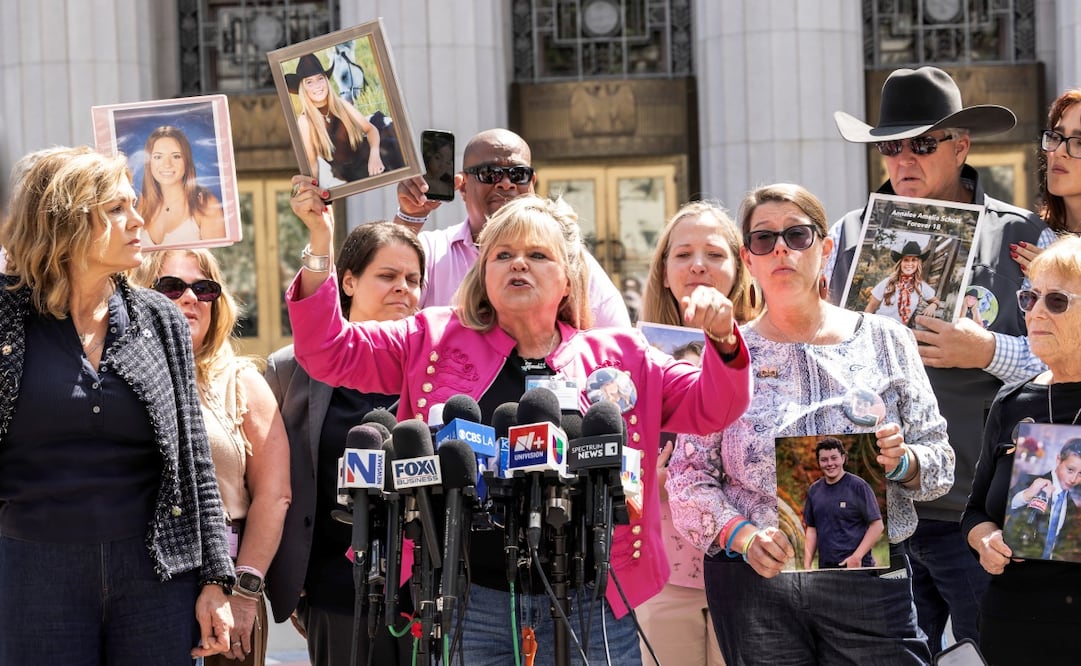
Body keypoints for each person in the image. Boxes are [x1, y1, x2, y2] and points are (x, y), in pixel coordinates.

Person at [286, 182, 752, 665]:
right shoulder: (432, 337)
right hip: (471, 597)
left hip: (593, 601)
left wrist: (723, 341)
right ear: (483, 274)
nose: (518, 263)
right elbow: (327, 351)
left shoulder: (623, 356)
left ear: (569, 279)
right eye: (503, 254)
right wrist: (320, 243)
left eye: (537, 254)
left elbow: (713, 407)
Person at [668, 183, 954, 665]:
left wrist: (902, 459)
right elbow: (688, 478)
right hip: (757, 583)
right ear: (748, 259)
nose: (780, 249)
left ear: (824, 249)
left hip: (867, 582)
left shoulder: (887, 340)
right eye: (763, 240)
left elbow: (940, 463)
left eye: (797, 236)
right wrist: (743, 536)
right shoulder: (724, 352)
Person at [825, 65, 1053, 651]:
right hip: (879, 508)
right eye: (891, 147)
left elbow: (1067, 364)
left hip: (982, 518)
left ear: (961, 146)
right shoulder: (848, 236)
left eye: (923, 145)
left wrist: (987, 351)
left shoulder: (1023, 236)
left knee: (1003, 653)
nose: (904, 160)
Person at [0, 146, 235, 663]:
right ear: (64, 220)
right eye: (115, 209)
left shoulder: (159, 318)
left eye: (133, 204)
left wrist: (216, 580)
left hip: (154, 577)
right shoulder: (5, 314)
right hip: (31, 575)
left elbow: (195, 459)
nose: (137, 219)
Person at [264, 221, 424, 666]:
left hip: (428, 598)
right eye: (387, 276)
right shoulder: (290, 370)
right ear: (348, 281)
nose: (403, 289)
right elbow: (269, 477)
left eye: (413, 280)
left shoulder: (436, 366)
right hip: (335, 594)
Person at [136, 248, 292, 665]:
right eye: (171, 287)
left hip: (227, 585)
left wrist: (244, 592)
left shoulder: (242, 381)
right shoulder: (114, 378)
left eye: (203, 289)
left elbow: (274, 495)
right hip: (137, 583)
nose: (190, 298)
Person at [636, 200, 756, 666]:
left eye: (714, 253)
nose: (698, 265)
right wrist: (648, 482)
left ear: (740, 267)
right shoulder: (632, 352)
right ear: (664, 271)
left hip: (753, 571)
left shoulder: (770, 345)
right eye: (682, 254)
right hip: (663, 575)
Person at [963, 235, 1081, 663]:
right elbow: (975, 512)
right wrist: (987, 541)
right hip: (1011, 622)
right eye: (1029, 298)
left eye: (1056, 301)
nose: (1035, 313)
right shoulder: (1014, 401)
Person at [394, 128, 631, 327]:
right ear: (462, 185)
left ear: (532, 183)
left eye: (518, 174)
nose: (506, 184)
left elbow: (618, 341)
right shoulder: (432, 251)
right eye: (490, 174)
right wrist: (410, 217)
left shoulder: (568, 259)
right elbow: (381, 308)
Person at [286, 53, 386, 186]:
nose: (317, 86)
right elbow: (312, 164)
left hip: (368, 160)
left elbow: (370, 129)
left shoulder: (341, 105)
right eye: (309, 82)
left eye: (320, 79)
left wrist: (375, 154)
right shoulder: (305, 121)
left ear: (326, 81)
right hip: (346, 176)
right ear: (303, 88)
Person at [1012, 89, 1081, 271]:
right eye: (1056, 136)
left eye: (1079, 143)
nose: (1058, 151)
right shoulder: (1030, 233)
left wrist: (1059, 278)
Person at [802, 437, 885, 570]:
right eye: (824, 460)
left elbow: (877, 525)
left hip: (857, 568)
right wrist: (807, 565)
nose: (829, 463)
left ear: (843, 458)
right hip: (825, 569)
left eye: (834, 458)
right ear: (818, 462)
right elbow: (812, 530)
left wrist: (856, 557)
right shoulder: (814, 490)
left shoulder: (859, 486)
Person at [138, 125, 227, 246]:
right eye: (158, 157)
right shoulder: (143, 203)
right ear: (149, 163)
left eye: (176, 156)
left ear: (186, 161)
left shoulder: (205, 204)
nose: (167, 164)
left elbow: (215, 262)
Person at [865, 240, 939, 325]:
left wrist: (933, 306)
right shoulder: (887, 282)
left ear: (918, 263)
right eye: (906, 260)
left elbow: (936, 300)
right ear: (900, 263)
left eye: (913, 260)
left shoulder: (921, 286)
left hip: (899, 332)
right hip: (878, 325)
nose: (909, 263)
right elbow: (870, 307)